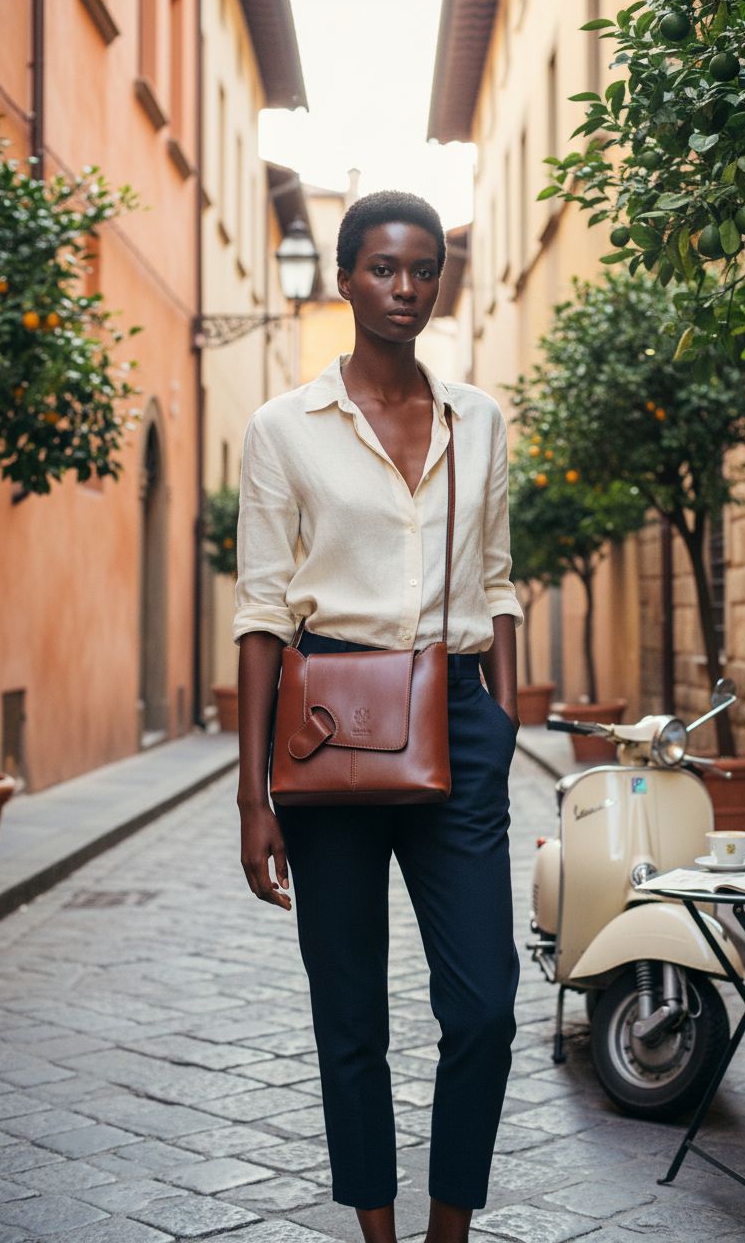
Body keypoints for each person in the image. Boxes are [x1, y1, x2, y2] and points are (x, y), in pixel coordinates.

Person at [233, 190, 523, 1243]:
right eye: (383, 269)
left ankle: (451, 1227)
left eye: (423, 270)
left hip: (455, 715)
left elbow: (496, 575)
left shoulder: (477, 418)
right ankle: (379, 1231)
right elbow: (262, 611)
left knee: (484, 1007)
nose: (405, 288)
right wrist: (251, 796)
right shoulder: (284, 428)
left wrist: (505, 713)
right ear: (347, 276)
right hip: (326, 728)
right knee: (348, 1013)